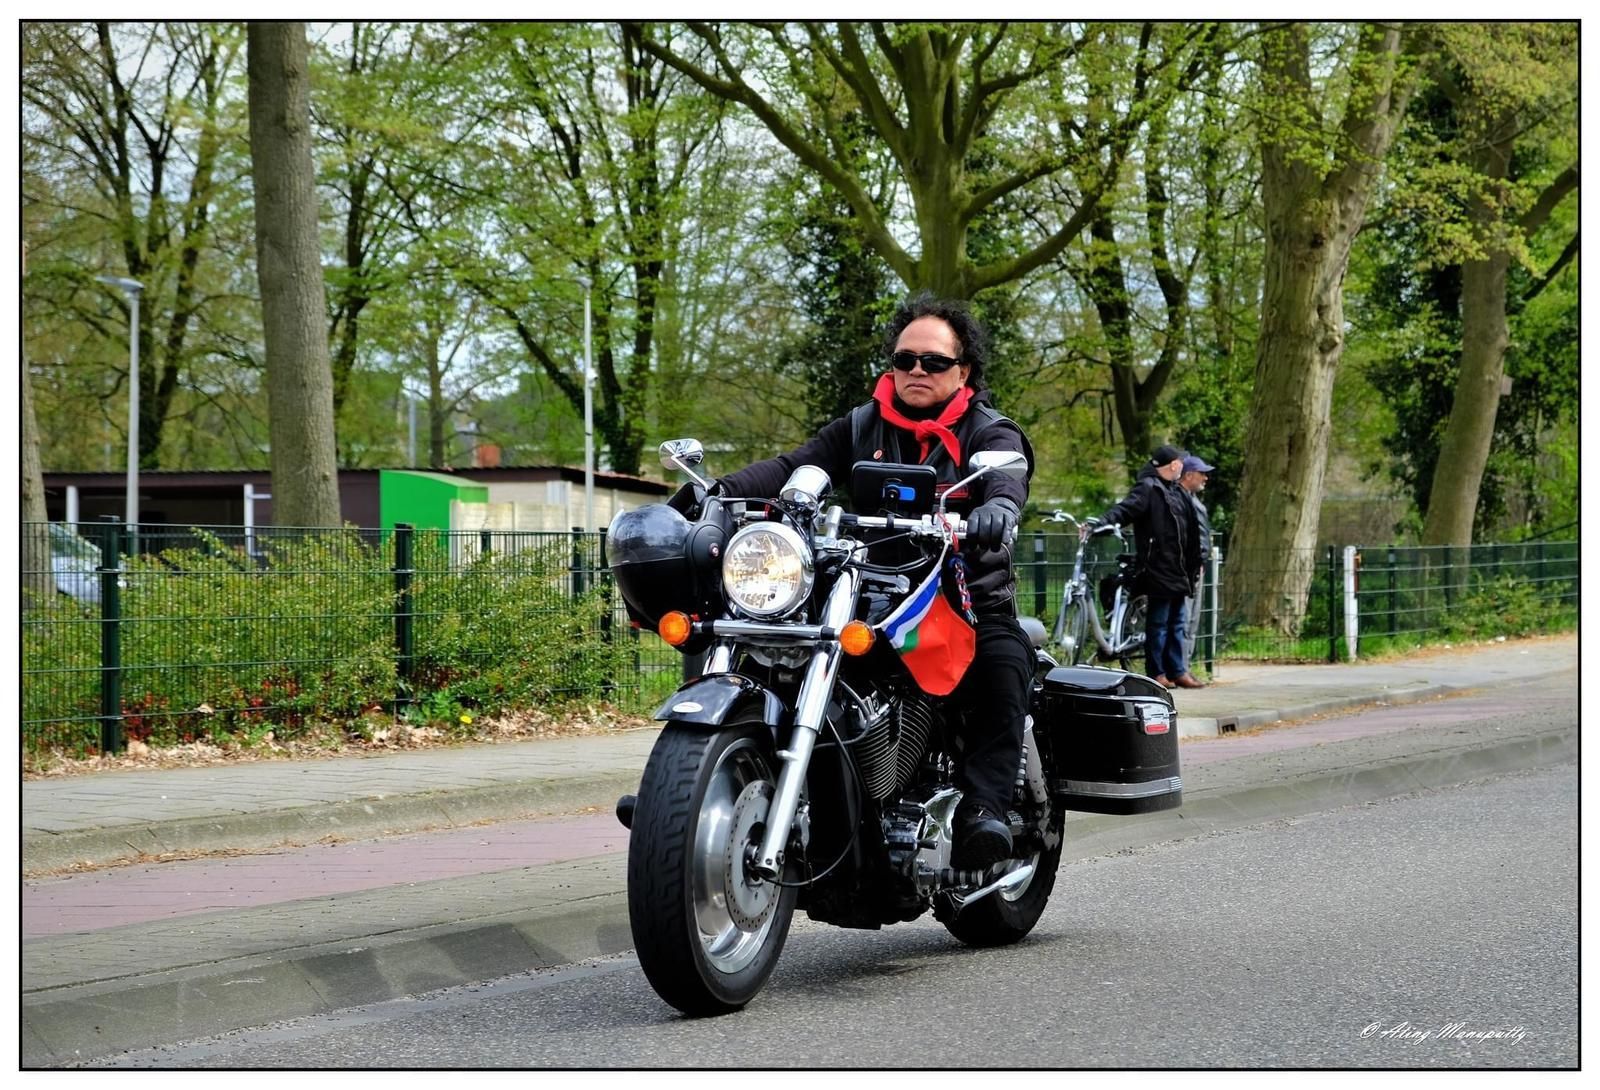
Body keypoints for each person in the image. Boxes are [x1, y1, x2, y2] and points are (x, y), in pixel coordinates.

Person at [671, 292, 1033, 872]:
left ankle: (984, 812)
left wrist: (998, 511)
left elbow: (1008, 477)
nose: (916, 370)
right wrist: (719, 491)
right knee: (767, 640)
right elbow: (793, 466)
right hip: (867, 588)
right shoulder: (864, 424)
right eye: (904, 359)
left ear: (963, 371)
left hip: (963, 594)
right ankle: (696, 788)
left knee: (1000, 661)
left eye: (934, 362)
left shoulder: (989, 432)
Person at [1097, 443, 1203, 689]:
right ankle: (1157, 672)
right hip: (1158, 569)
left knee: (1177, 623)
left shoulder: (1178, 491)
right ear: (1174, 464)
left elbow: (1191, 532)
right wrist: (1100, 524)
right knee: (1159, 624)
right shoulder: (1147, 489)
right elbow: (1124, 510)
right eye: (1180, 462)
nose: (1182, 465)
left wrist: (1196, 562)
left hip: (1180, 570)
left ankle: (1178, 671)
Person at [1178, 454, 1215, 669]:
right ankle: (1181, 667)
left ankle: (1186, 666)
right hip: (1187, 569)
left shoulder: (1194, 501)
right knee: (1185, 618)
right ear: (1189, 474)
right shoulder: (1183, 501)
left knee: (1192, 620)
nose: (1205, 478)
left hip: (1197, 567)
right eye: (1202, 473)